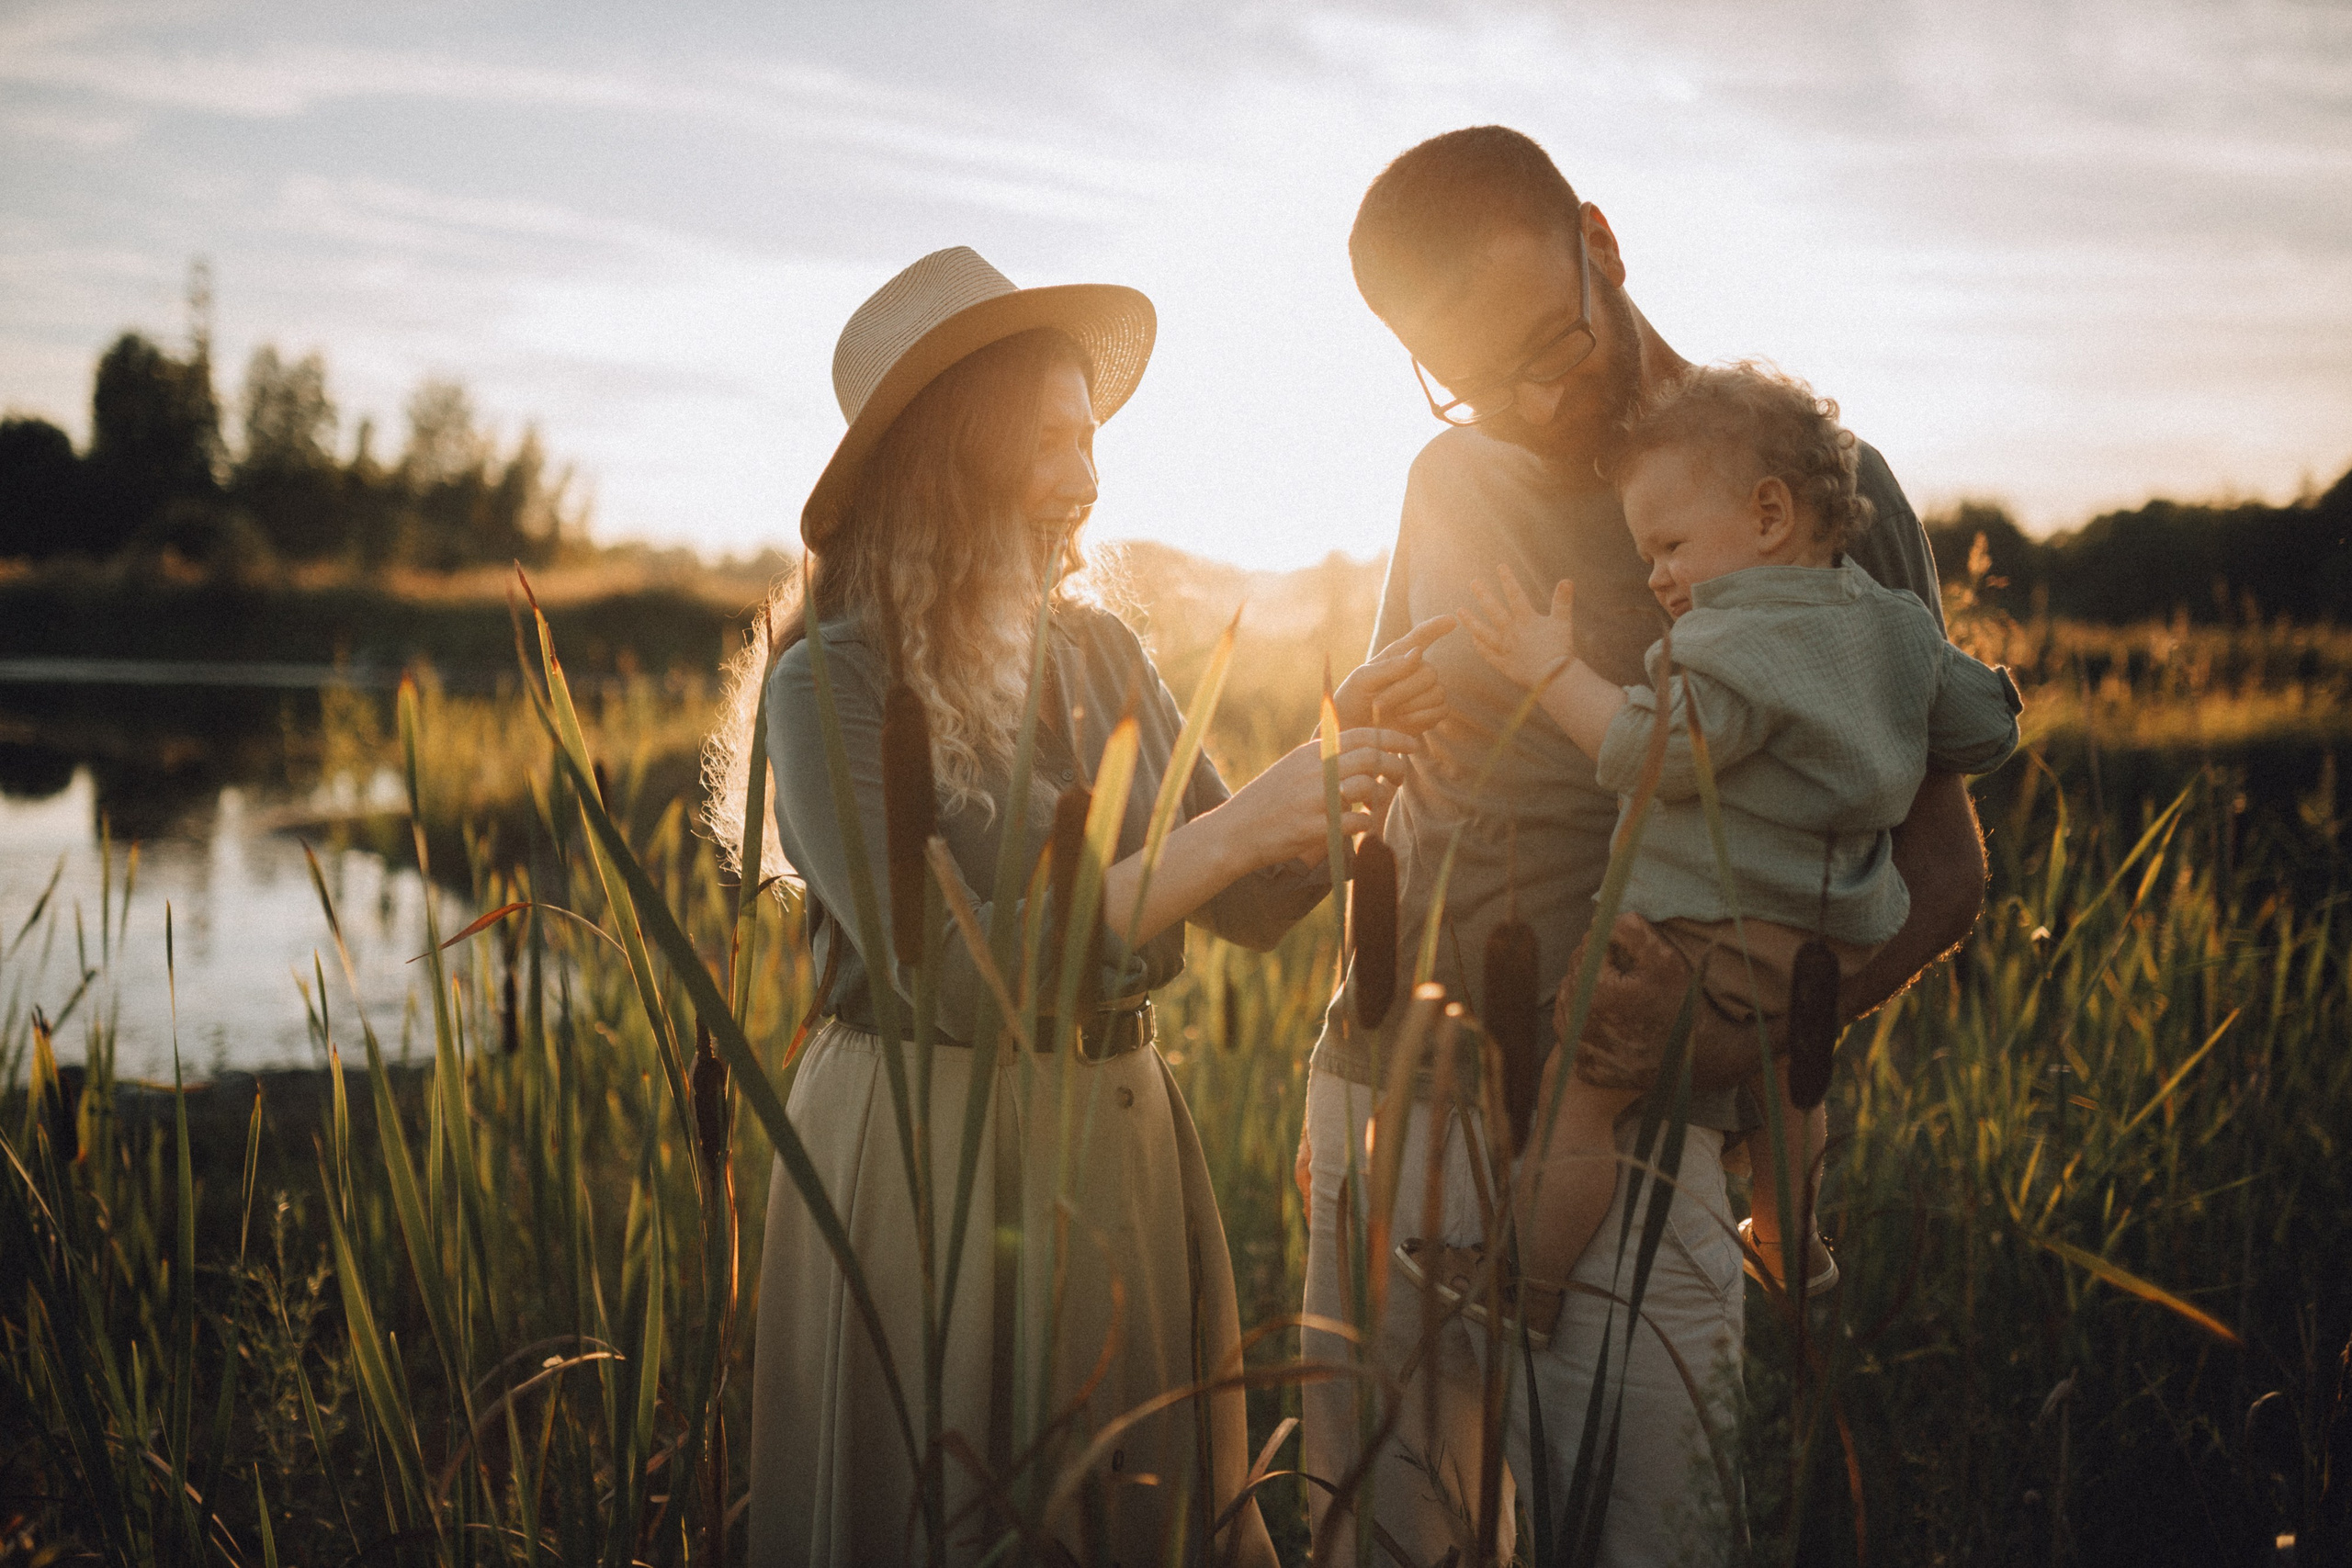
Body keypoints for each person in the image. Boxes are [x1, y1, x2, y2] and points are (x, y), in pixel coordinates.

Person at [1297, 127, 1993, 1566]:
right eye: (1476, 378)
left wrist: (1738, 1044)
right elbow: (1382, 753)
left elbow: (1946, 875)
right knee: (1387, 1541)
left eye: (1552, 341)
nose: (1531, 401)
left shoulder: (1811, 489)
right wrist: (1348, 731)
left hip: (1644, 1141)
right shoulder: (1451, 477)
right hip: (1392, 1093)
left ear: (1602, 243)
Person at [720, 245, 1453, 1567]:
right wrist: (1237, 828)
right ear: (960, 449)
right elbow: (949, 968)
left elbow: (1250, 893)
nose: (1090, 474)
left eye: (1094, 436)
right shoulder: (825, 683)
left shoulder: (1102, 652)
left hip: (1117, 1141)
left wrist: (1370, 754)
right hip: (918, 1152)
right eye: (1054, 436)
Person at [1443, 361, 2022, 1333]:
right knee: (1783, 1087)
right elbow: (1983, 730)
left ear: (1767, 515)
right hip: (1829, 946)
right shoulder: (1898, 627)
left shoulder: (1726, 641)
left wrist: (1551, 670)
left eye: (1668, 545)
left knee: (1579, 1094)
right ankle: (1793, 1252)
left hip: (1701, 937)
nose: (1657, 575)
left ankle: (1522, 1287)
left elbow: (1650, 751)